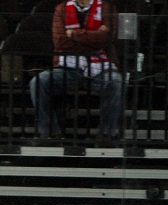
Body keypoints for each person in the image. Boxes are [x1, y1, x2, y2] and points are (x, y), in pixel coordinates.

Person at [29, 0, 123, 141]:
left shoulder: (107, 8)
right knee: (39, 82)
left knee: (115, 82)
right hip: (69, 66)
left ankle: (107, 135)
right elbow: (60, 41)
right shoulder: (61, 9)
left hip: (101, 66)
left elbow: (107, 39)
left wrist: (73, 34)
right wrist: (94, 39)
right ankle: (50, 133)